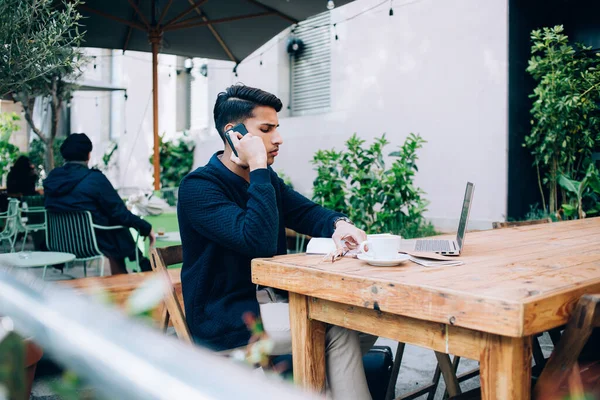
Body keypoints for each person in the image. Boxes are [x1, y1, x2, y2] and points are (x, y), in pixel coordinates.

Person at [178, 84, 376, 399]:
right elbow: (259, 241)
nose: (278, 138)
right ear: (235, 134)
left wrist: (338, 224)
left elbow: (305, 212)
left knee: (364, 319)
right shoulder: (199, 188)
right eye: (267, 129)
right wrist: (257, 165)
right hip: (229, 317)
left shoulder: (266, 180)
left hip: (278, 302)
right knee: (337, 327)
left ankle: (310, 387)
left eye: (277, 128)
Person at [43, 133, 155, 275]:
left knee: (111, 224)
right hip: (90, 244)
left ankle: (140, 266)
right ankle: (135, 270)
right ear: (88, 155)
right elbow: (119, 212)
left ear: (64, 155)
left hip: (59, 243)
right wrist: (146, 228)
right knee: (117, 228)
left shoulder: (52, 179)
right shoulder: (94, 179)